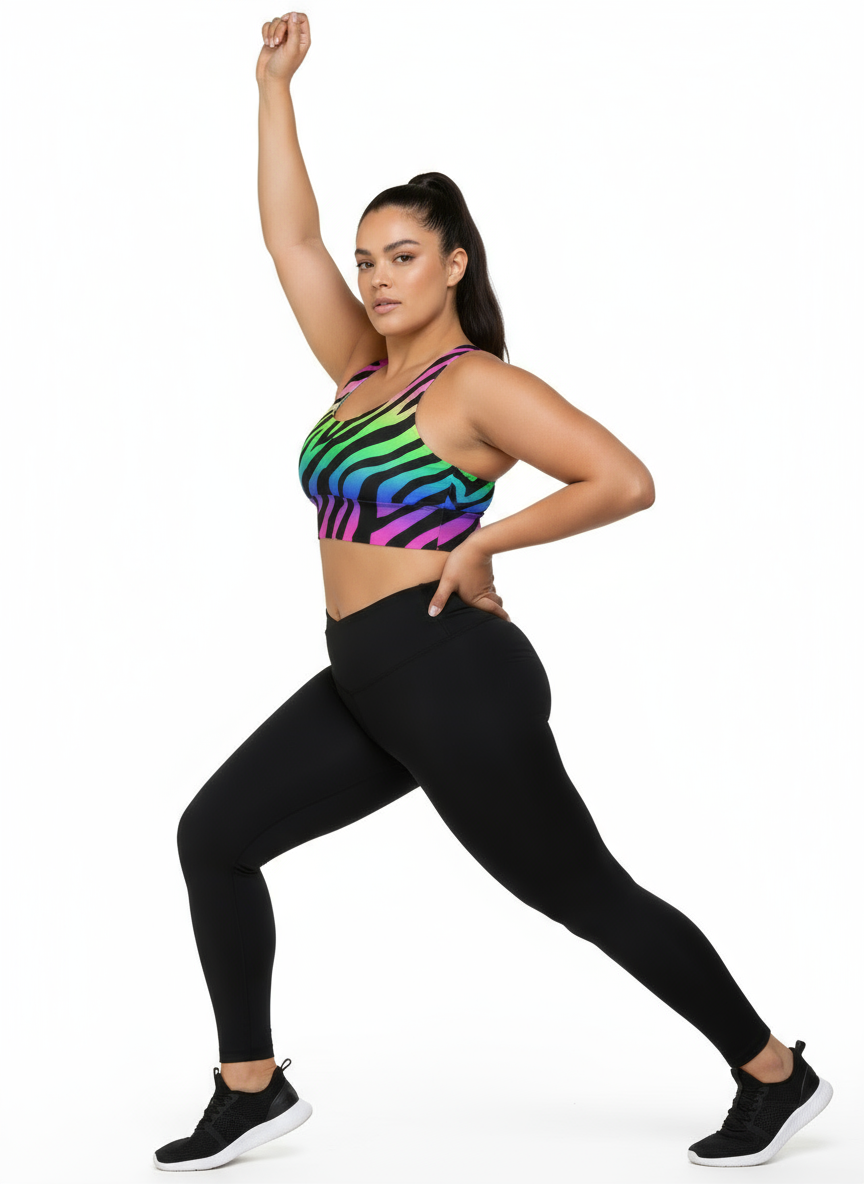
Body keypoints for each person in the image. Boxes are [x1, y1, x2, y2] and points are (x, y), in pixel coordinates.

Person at [153, 10, 833, 1173]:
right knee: (214, 835)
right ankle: (251, 1085)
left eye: (402, 256)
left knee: (582, 890)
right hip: (368, 672)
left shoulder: (476, 385)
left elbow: (622, 478)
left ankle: (773, 1068)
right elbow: (290, 241)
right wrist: (273, 92)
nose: (376, 277)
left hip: (448, 669)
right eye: (368, 261)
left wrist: (482, 543)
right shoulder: (359, 371)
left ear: (455, 262)